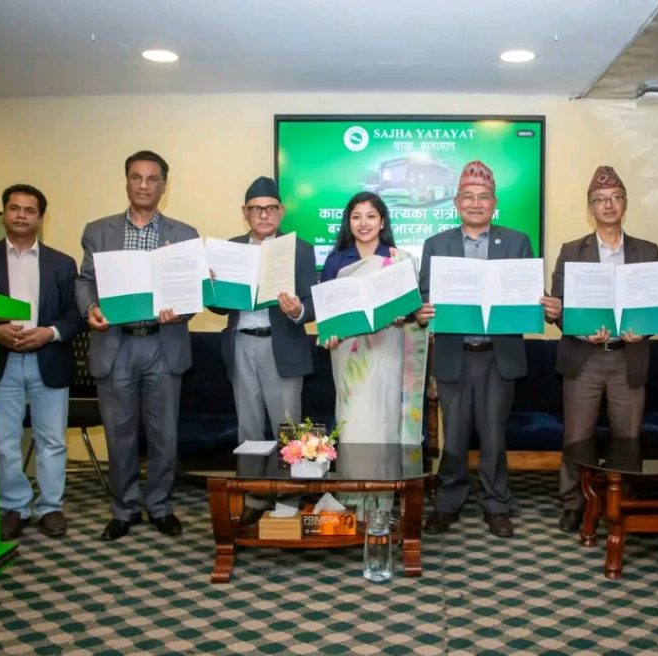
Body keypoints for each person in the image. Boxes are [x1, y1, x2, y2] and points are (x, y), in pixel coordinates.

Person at [416, 160, 562, 538]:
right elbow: (424, 295)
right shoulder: (437, 245)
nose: (476, 203)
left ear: (494, 203)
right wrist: (422, 310)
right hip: (454, 353)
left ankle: (497, 504)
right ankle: (448, 503)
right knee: (454, 436)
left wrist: (545, 304)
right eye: (468, 196)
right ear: (456, 202)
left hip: (499, 356)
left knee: (494, 435)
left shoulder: (516, 241)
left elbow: (530, 292)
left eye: (483, 197)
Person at [76, 150, 199, 540]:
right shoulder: (99, 231)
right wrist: (90, 308)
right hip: (116, 344)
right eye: (137, 177)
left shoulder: (185, 234)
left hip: (163, 343)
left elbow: (191, 289)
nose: (144, 185)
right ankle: (124, 508)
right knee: (119, 434)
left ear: (164, 185)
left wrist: (181, 311)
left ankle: (160, 506)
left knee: (164, 435)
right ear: (127, 181)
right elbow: (85, 281)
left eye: (152, 179)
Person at [0, 184, 85, 540]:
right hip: (2, 360)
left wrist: (49, 333)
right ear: (4, 213)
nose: (21, 215)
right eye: (14, 208)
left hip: (49, 358)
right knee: (5, 442)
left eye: (29, 210)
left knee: (52, 440)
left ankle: (50, 507)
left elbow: (74, 315)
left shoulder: (62, 263)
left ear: (41, 218)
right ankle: (13, 507)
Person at [550, 166, 658, 532]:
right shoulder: (572, 251)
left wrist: (643, 331)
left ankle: (621, 501)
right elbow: (559, 308)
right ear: (591, 207)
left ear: (625, 204)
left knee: (627, 436)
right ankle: (573, 503)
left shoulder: (647, 251)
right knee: (577, 436)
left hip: (628, 356)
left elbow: (655, 305)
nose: (608, 205)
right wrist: (581, 332)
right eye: (600, 199)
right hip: (584, 358)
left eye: (615, 198)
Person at [211, 176, 316, 526]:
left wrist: (298, 310)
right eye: (256, 209)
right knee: (249, 427)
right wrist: (212, 287)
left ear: (281, 211)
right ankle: (254, 494)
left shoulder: (300, 249)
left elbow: (312, 302)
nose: (264, 214)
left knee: (289, 427)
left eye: (271, 208)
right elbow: (218, 307)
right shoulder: (230, 249)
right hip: (242, 343)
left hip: (281, 346)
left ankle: (289, 495)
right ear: (245, 212)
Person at [318, 191, 428, 447]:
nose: (363, 223)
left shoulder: (397, 259)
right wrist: (328, 334)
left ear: (382, 222)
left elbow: (412, 310)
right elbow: (327, 311)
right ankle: (352, 474)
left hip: (389, 348)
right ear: (348, 222)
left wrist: (403, 314)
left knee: (386, 419)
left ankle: (387, 475)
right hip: (348, 351)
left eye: (371, 216)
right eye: (356, 217)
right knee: (353, 420)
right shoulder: (335, 261)